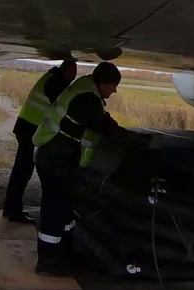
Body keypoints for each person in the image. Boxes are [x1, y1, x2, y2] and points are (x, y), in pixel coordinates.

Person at [31, 62, 142, 276]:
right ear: (104, 83)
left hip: (54, 157)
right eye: (113, 85)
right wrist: (135, 141)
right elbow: (103, 126)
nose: (114, 90)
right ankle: (47, 261)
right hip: (56, 161)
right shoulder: (88, 98)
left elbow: (100, 119)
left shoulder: (86, 89)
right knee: (54, 210)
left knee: (63, 209)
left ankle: (63, 254)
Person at [3, 60, 77, 223]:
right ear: (66, 71)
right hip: (29, 128)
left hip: (26, 127)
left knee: (19, 171)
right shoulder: (55, 82)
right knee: (23, 172)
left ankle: (10, 208)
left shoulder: (52, 77)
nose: (73, 78)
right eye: (73, 74)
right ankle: (14, 212)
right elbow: (62, 105)